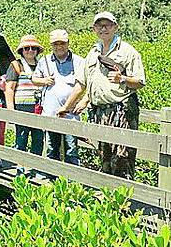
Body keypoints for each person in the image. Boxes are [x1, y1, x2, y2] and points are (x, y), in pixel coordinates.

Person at [57, 12, 145, 180]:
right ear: (94, 29)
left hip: (122, 111)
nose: (103, 28)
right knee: (104, 155)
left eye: (108, 25)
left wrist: (123, 79)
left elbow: (140, 81)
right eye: (100, 25)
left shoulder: (128, 52)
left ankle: (123, 200)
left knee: (122, 156)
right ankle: (107, 197)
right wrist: (68, 106)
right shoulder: (92, 53)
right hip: (99, 112)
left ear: (115, 27)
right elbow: (82, 84)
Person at [32, 29, 84, 166]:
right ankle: (51, 178)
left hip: (71, 114)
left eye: (62, 43)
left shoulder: (78, 61)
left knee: (71, 149)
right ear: (51, 45)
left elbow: (86, 84)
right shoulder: (45, 61)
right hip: (50, 112)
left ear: (68, 43)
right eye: (55, 44)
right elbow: (34, 79)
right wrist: (44, 81)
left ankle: (72, 180)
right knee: (51, 148)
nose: (59, 46)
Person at [1, 35, 44, 160]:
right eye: (26, 48)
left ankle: (36, 167)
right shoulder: (16, 65)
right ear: (22, 50)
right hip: (21, 107)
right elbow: (9, 89)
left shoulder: (42, 65)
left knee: (38, 139)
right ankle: (20, 169)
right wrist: (11, 110)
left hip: (38, 108)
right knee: (21, 139)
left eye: (33, 48)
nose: (30, 50)